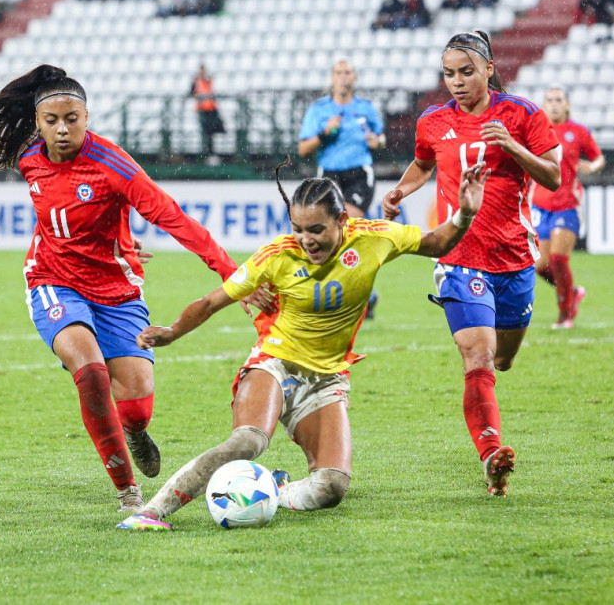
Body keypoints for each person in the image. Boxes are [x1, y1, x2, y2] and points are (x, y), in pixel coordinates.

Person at [0, 64, 265, 514]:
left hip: (116, 290)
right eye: (52, 121)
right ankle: (127, 491)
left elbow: (174, 219)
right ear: (38, 122)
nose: (62, 129)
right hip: (53, 281)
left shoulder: (113, 165)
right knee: (91, 371)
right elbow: (56, 220)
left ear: (87, 117)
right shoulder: (28, 157)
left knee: (136, 409)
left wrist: (234, 277)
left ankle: (135, 434)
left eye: (72, 119)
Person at [117, 157, 487, 532]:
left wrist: (465, 214)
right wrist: (172, 332)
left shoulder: (374, 238)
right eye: (297, 229)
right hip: (275, 363)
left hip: (327, 378)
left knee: (331, 487)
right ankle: (151, 512)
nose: (306, 240)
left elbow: (437, 241)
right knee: (247, 443)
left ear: (342, 220)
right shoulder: (277, 255)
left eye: (316, 229)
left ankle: (272, 490)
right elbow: (211, 302)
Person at [381, 31, 561, 496]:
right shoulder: (433, 121)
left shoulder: (523, 115)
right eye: (449, 74)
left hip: (514, 258)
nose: (457, 82)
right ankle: (491, 456)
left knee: (503, 359)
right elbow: (424, 163)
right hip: (459, 257)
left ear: (489, 69)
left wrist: (513, 147)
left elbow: (553, 177)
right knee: (477, 357)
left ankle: (489, 419)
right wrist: (401, 190)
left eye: (466, 72)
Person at [298, 59, 386, 316]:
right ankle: (364, 294)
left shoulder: (365, 108)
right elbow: (303, 148)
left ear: (354, 77)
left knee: (345, 228)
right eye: (339, 72)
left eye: (347, 72)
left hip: (359, 173)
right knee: (333, 236)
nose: (343, 77)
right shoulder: (319, 110)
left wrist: (378, 142)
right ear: (332, 78)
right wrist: (325, 134)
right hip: (329, 176)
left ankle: (355, 294)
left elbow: (380, 138)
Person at [531, 85, 604, 329]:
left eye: (558, 99)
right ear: (544, 104)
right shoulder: (536, 130)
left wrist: (593, 167)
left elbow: (598, 157)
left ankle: (565, 315)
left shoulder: (578, 132)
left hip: (567, 205)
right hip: (540, 205)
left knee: (559, 260)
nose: (554, 104)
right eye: (549, 99)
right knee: (540, 265)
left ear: (567, 104)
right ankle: (572, 293)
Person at [190, 64, 224, 159]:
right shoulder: (197, 82)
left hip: (211, 108)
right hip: (203, 110)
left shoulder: (207, 80)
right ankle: (208, 152)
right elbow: (192, 93)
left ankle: (210, 152)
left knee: (212, 130)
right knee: (206, 132)